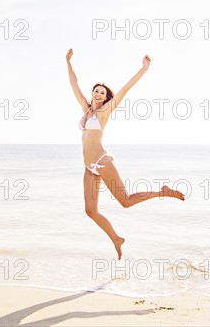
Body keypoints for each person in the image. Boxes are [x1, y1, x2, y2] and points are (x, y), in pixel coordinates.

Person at [66, 48, 185, 260]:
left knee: (126, 201)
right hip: (89, 168)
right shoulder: (85, 110)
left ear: (105, 97)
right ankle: (116, 238)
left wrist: (144, 69)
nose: (99, 93)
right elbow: (74, 84)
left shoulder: (104, 111)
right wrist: (68, 62)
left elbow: (125, 89)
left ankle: (163, 191)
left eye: (103, 92)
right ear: (92, 92)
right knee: (90, 211)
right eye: (96, 90)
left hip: (102, 162)